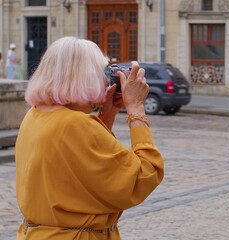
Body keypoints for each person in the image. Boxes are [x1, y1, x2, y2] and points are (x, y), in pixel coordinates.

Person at [15, 36, 164, 239]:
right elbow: (145, 175)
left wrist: (107, 116)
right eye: (102, 72)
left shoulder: (35, 114)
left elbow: (84, 167)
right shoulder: (75, 124)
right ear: (86, 77)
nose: (105, 80)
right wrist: (136, 108)